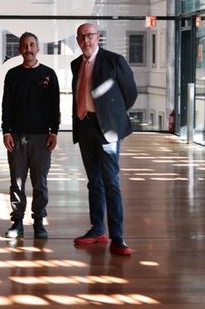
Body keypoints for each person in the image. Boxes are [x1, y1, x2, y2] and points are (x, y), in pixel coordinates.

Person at [71, 23, 137, 256]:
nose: (86, 41)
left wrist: (112, 116)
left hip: (106, 129)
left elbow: (130, 94)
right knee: (94, 181)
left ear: (98, 37)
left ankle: (118, 237)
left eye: (90, 36)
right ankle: (98, 229)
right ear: (78, 40)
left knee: (111, 181)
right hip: (85, 125)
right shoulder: (75, 64)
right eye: (81, 37)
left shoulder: (114, 61)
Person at [2, 32, 60, 239]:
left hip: (41, 137)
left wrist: (54, 132)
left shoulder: (49, 74)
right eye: (24, 45)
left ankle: (38, 222)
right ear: (19, 50)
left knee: (39, 182)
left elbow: (55, 106)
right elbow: (6, 105)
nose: (28, 49)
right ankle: (17, 223)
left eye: (32, 45)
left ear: (38, 48)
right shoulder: (12, 74)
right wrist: (6, 131)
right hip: (16, 136)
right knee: (17, 182)